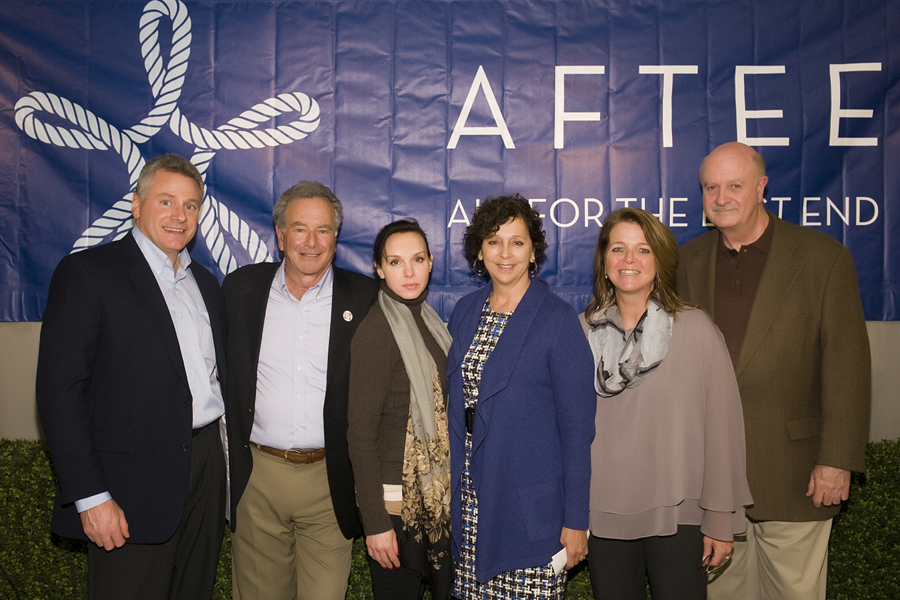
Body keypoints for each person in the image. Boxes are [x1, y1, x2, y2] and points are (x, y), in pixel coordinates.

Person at [676, 142, 871, 600]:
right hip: (712, 482)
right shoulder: (686, 262)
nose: (721, 197)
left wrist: (837, 459)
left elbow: (847, 365)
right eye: (711, 187)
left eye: (735, 185)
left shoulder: (822, 258)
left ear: (762, 188)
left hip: (796, 473)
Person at [36, 154, 228, 600]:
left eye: (191, 205)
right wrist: (90, 496)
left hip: (204, 469)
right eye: (166, 201)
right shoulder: (87, 273)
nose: (179, 216)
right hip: (128, 484)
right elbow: (59, 392)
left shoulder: (207, 284)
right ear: (136, 205)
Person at [582, 207, 753, 600]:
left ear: (659, 261)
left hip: (681, 519)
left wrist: (720, 520)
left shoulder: (696, 331)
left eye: (643, 250)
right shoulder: (578, 334)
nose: (629, 260)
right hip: (603, 519)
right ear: (604, 263)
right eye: (618, 249)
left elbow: (722, 432)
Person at [223, 180, 379, 600]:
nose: (311, 242)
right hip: (257, 478)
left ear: (336, 236)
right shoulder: (239, 291)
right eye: (299, 229)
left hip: (330, 482)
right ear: (279, 235)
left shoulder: (366, 298)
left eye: (323, 230)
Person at [446, 194, 596, 600]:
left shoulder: (558, 321)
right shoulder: (465, 311)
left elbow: (577, 433)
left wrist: (576, 520)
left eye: (517, 242)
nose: (505, 253)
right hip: (472, 503)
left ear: (534, 252)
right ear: (480, 251)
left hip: (531, 518)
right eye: (494, 242)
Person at [347, 219, 453, 600]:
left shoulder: (428, 320)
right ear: (378, 268)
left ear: (430, 262)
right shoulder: (377, 331)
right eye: (395, 262)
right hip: (397, 508)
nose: (409, 272)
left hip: (434, 498)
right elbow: (359, 434)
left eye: (417, 259)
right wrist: (375, 523)